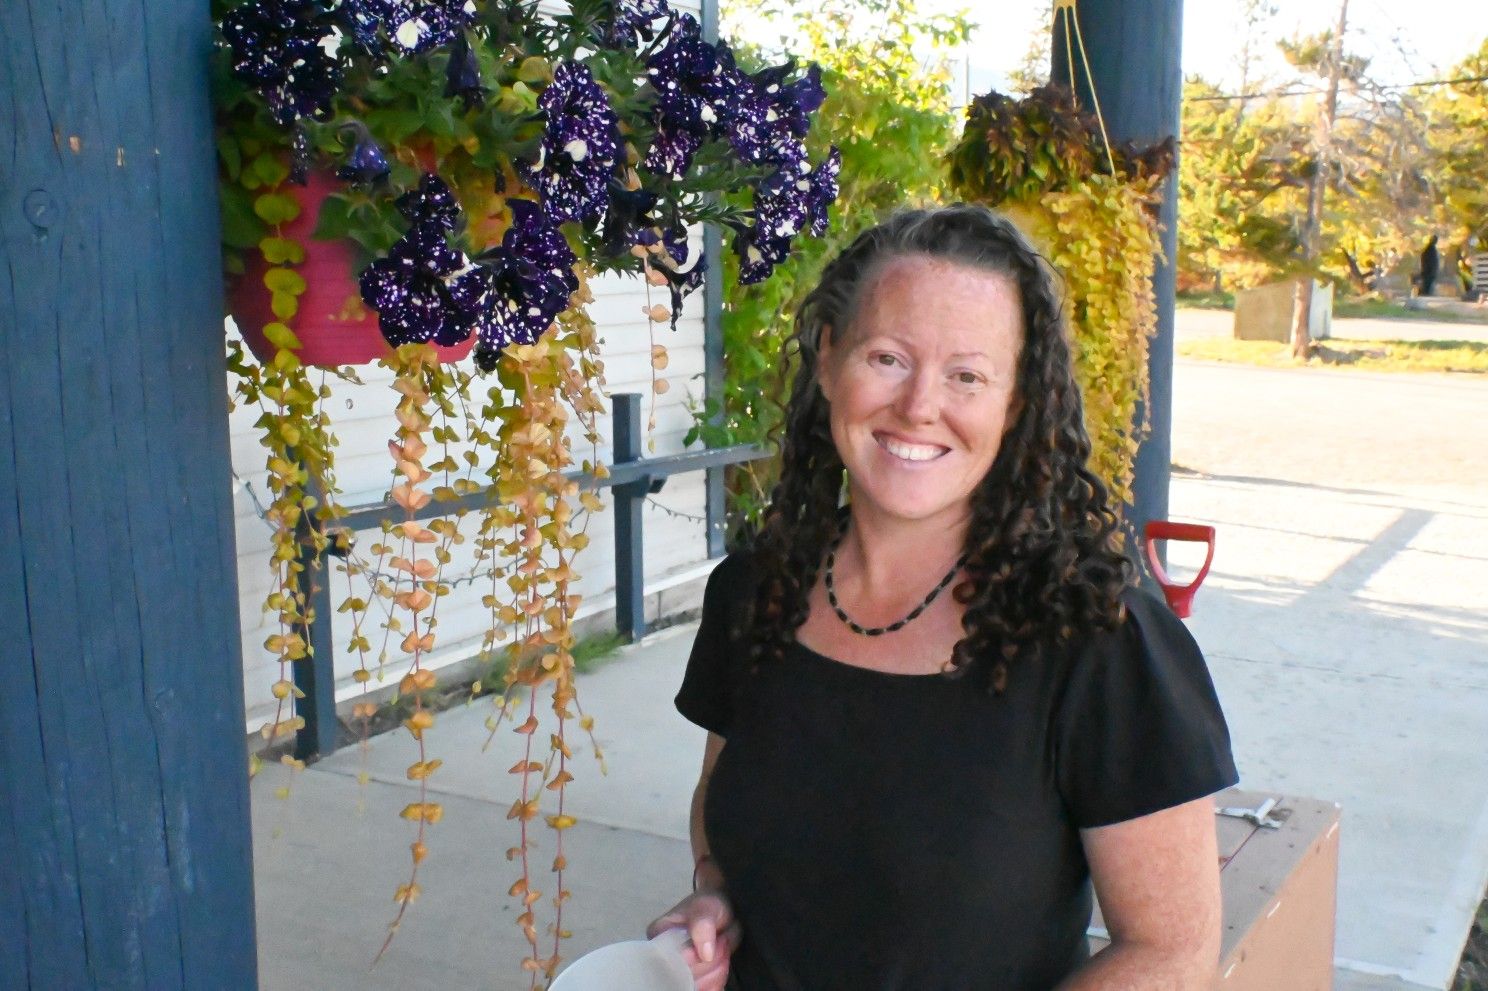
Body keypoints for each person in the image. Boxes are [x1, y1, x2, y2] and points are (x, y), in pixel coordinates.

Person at [646, 206, 1238, 990]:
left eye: (968, 374)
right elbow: (721, 808)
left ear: (1016, 405)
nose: (920, 405)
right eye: (887, 358)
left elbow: (1169, 952)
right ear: (829, 361)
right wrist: (714, 898)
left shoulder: (1098, 640)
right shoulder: (757, 591)